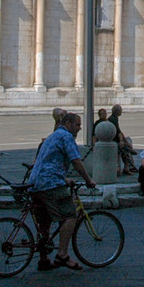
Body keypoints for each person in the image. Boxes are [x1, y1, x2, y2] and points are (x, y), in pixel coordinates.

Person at [28, 111, 96, 271]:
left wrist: (65, 179)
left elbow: (49, 162)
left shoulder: (53, 136)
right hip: (49, 184)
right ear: (68, 124)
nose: (80, 128)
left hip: (35, 183)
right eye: (78, 124)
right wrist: (88, 180)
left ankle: (43, 260)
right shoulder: (66, 137)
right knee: (69, 215)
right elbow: (76, 162)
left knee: (45, 222)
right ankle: (62, 255)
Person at [108, 104, 137, 174]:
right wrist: (123, 141)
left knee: (128, 142)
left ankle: (129, 164)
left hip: (116, 139)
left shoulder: (113, 118)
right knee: (126, 149)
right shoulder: (113, 119)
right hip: (115, 140)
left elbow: (119, 131)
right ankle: (129, 166)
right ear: (118, 111)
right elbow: (118, 132)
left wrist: (125, 141)